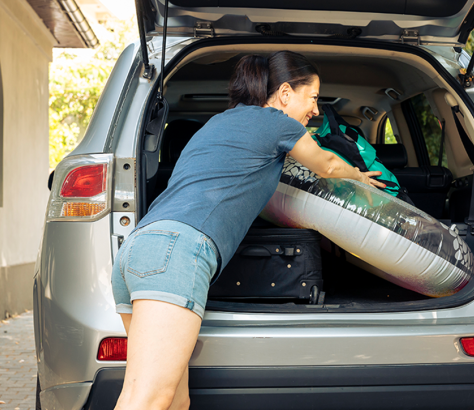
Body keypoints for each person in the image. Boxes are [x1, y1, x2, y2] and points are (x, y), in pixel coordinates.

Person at [110, 51, 385, 410]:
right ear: (286, 93)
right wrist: (360, 177)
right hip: (176, 255)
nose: (315, 111)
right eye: (313, 98)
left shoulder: (219, 124)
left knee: (174, 400)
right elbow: (329, 165)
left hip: (138, 252)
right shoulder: (277, 123)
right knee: (149, 399)